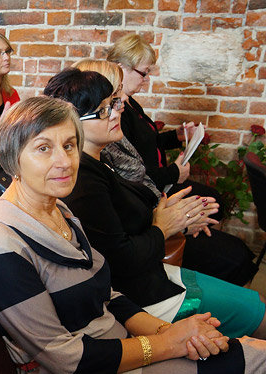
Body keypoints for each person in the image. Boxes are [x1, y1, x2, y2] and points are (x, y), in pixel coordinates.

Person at [0, 95, 266, 374]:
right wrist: (169, 344)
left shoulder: (59, 211)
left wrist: (168, 330)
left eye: (70, 145)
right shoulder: (2, 247)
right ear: (11, 159)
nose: (64, 160)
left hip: (117, 351)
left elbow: (107, 291)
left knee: (243, 355)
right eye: (44, 148)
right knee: (256, 365)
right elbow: (64, 359)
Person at [42, 68, 266, 341]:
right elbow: (121, 260)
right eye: (104, 111)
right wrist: (164, 226)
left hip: (154, 274)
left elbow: (132, 216)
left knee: (255, 301)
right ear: (72, 122)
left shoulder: (99, 161)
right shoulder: (83, 180)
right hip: (141, 297)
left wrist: (177, 217)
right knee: (258, 312)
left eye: (113, 103)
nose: (117, 111)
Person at [73, 59, 257, 287]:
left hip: (152, 213)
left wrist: (172, 213)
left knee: (220, 224)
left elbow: (138, 181)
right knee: (234, 257)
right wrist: (172, 220)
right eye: (112, 102)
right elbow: (123, 245)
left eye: (118, 99)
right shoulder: (88, 166)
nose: (120, 107)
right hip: (146, 242)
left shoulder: (113, 132)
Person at [107, 34, 219, 204]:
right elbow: (130, 171)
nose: (146, 80)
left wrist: (177, 136)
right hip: (147, 190)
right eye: (143, 73)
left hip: (159, 182)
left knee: (212, 200)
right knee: (213, 201)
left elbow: (145, 142)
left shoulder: (130, 102)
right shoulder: (117, 111)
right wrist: (173, 173)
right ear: (120, 67)